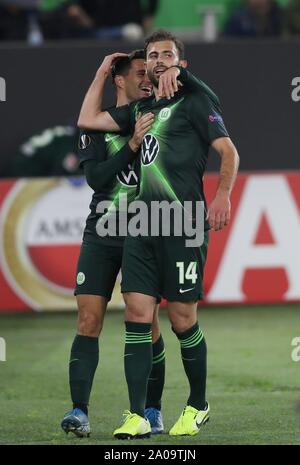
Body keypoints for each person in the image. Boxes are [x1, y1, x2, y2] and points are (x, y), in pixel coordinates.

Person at [78, 29, 240, 439]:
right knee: (136, 314)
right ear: (146, 65)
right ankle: (137, 415)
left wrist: (222, 195)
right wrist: (101, 72)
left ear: (180, 63)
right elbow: (88, 120)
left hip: (182, 223)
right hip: (142, 226)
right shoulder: (140, 109)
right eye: (153, 55)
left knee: (182, 319)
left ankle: (198, 405)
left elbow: (229, 152)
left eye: (168, 54)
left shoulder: (196, 100)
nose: (160, 59)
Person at [61, 50, 165, 438]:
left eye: (150, 73)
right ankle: (79, 411)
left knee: (148, 322)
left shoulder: (155, 115)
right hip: (102, 231)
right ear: (118, 79)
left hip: (146, 230)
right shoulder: (98, 125)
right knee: (88, 319)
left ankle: (151, 411)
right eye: (139, 73)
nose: (146, 79)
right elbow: (98, 179)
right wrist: (132, 147)